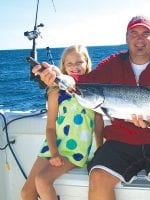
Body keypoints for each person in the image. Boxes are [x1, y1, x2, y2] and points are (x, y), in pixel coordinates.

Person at [32, 16, 150, 200]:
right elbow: (85, 81)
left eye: (145, 33)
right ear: (126, 38)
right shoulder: (113, 63)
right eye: (134, 33)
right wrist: (61, 77)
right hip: (122, 137)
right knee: (97, 177)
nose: (139, 39)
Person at [21, 45, 104, 200]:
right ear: (63, 67)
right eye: (70, 64)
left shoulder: (92, 91)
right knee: (26, 193)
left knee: (42, 180)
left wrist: (100, 149)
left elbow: (98, 124)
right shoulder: (55, 92)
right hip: (52, 146)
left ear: (87, 63)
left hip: (75, 151)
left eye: (79, 62)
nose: (75, 67)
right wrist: (54, 153)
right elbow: (51, 127)